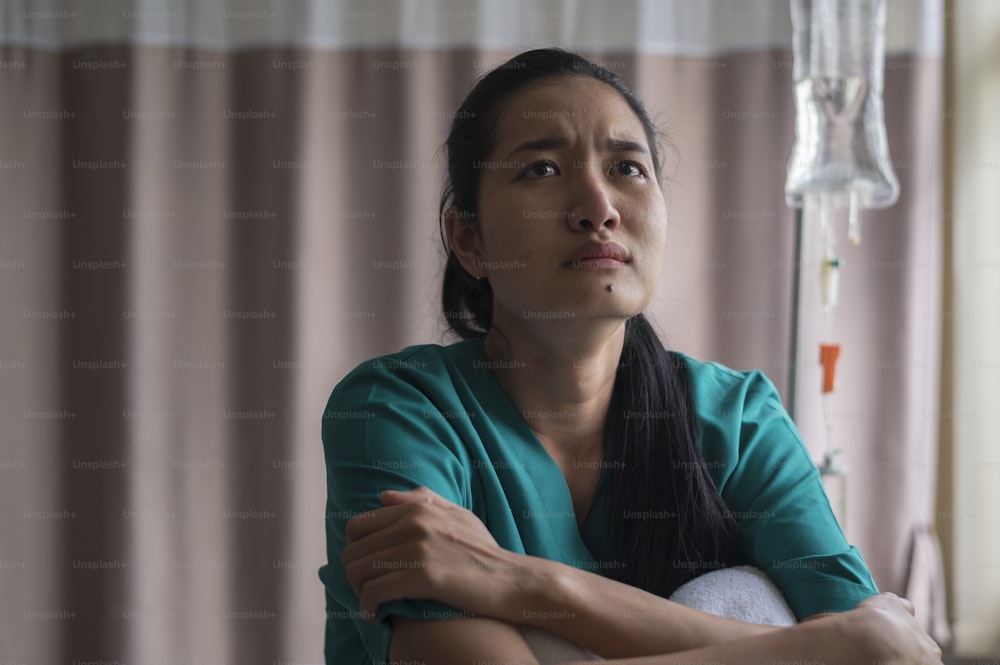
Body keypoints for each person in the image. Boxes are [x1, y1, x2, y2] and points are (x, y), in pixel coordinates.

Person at [319, 48, 942, 665]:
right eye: (541, 169)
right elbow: (864, 649)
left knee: (740, 596)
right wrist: (824, 648)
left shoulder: (737, 419)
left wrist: (521, 583)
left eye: (627, 168)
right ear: (469, 239)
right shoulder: (400, 409)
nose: (599, 208)